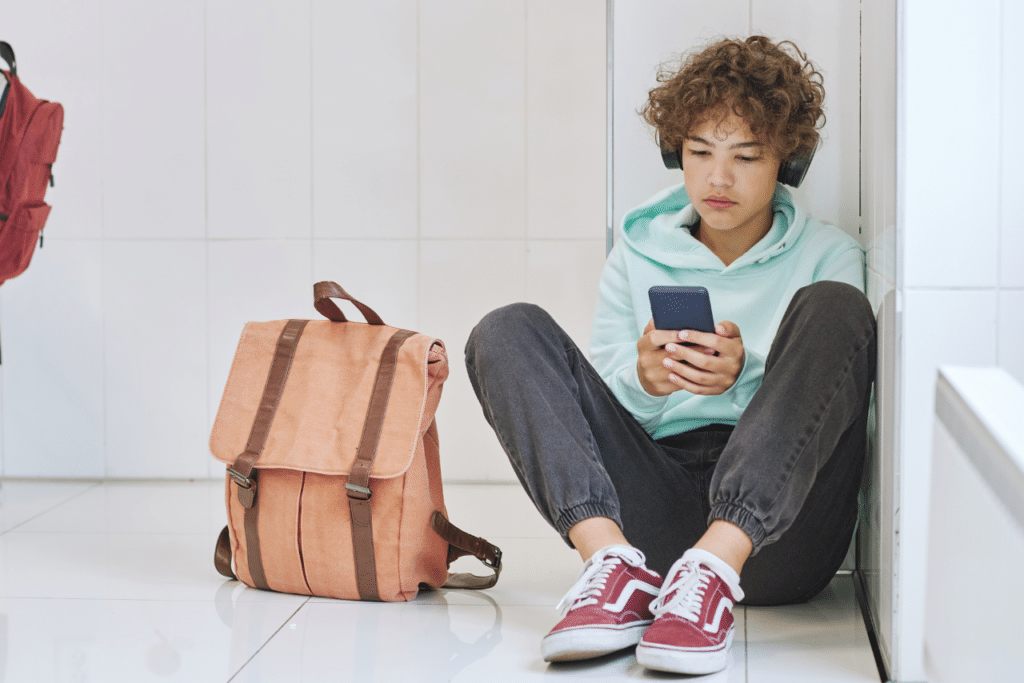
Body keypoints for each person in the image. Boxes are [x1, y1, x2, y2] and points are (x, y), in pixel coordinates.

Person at [464, 35, 875, 676]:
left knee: (835, 307)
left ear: (787, 163)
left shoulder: (830, 255)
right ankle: (611, 566)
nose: (718, 177)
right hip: (652, 520)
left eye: (746, 156)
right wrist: (645, 381)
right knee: (505, 330)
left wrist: (746, 377)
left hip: (779, 540)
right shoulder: (637, 251)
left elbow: (835, 405)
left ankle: (714, 567)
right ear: (674, 153)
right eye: (699, 152)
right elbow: (594, 409)